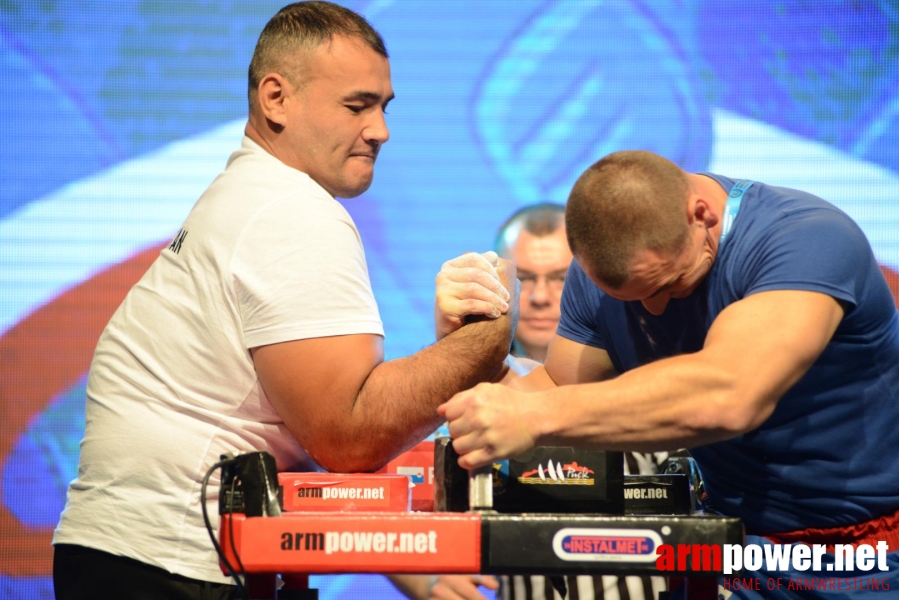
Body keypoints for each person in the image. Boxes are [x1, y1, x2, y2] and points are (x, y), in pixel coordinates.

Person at [51, 3, 516, 599]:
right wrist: (485, 334)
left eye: (383, 106)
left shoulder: (250, 195)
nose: (381, 129)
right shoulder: (289, 211)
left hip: (136, 555)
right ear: (276, 99)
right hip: (173, 565)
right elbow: (347, 437)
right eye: (358, 105)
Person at [440, 150, 899, 598]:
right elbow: (559, 392)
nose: (651, 310)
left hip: (862, 557)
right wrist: (461, 342)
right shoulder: (604, 269)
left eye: (668, 284)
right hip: (726, 548)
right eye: (628, 298)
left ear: (701, 215)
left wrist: (533, 417)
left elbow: (731, 394)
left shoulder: (805, 240)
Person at [390, 203, 667, 600]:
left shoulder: (647, 372)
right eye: (525, 281)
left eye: (560, 279)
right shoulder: (463, 393)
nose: (540, 297)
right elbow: (368, 493)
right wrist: (425, 579)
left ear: (594, 283)